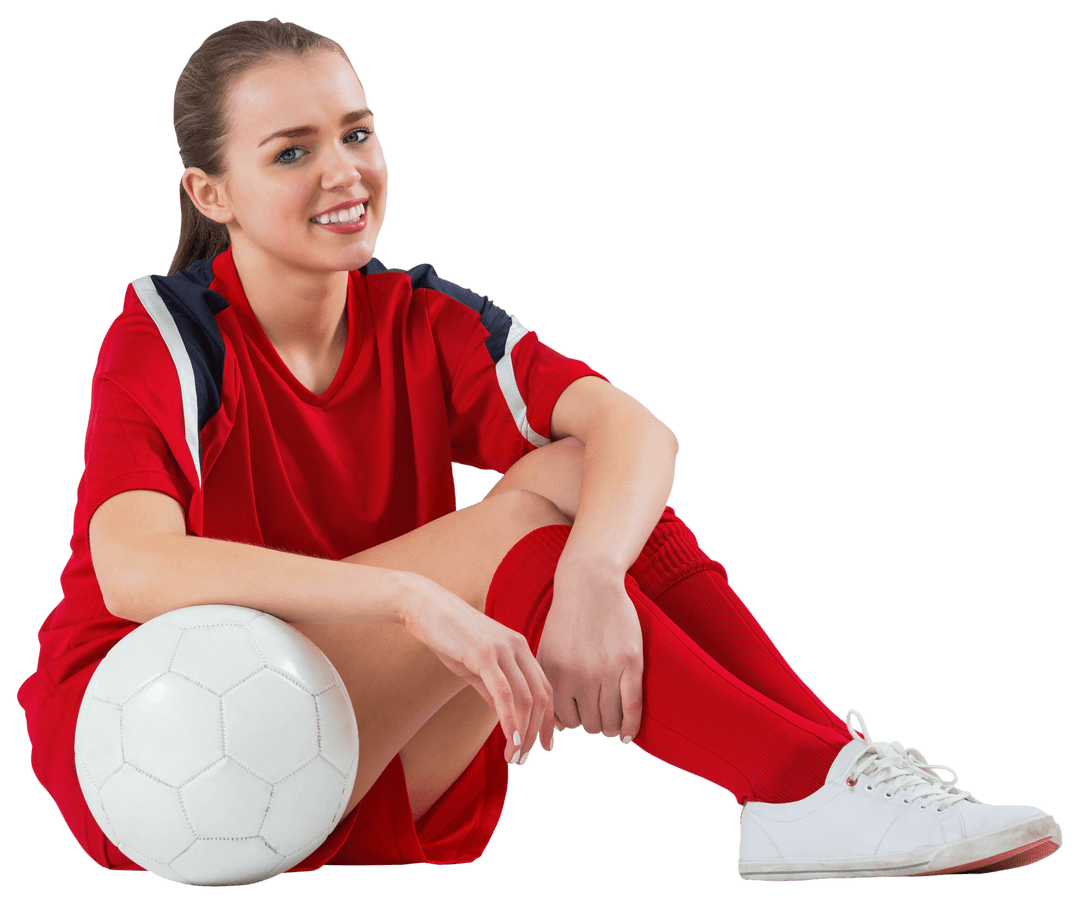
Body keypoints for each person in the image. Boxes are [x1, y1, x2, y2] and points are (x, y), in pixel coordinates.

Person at [16, 16, 1062, 883]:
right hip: (149, 744)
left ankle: (827, 775)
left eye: (359, 133)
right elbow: (134, 565)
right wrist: (410, 599)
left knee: (577, 481)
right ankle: (796, 783)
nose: (345, 172)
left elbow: (632, 430)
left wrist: (597, 574)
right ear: (212, 194)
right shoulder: (168, 332)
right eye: (291, 151)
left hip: (344, 735)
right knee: (520, 538)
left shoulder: (417, 315)